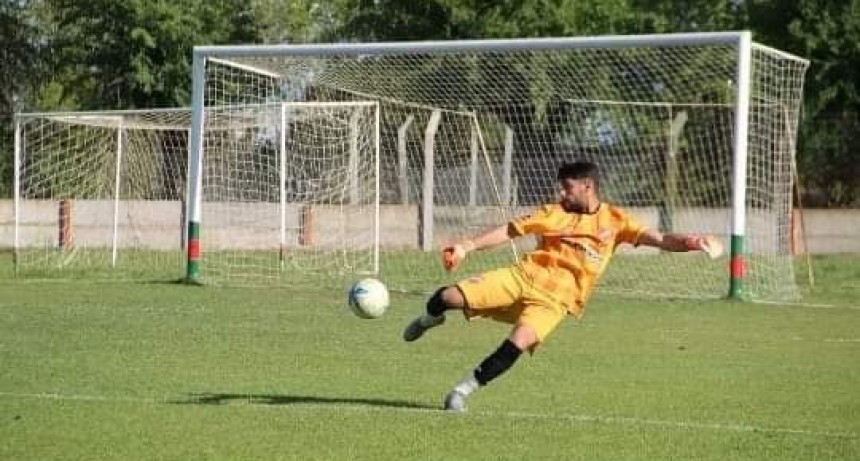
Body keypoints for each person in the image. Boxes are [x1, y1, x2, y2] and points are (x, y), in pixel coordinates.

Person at [402, 161, 723, 412]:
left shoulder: (616, 221)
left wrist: (695, 241)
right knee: (448, 297)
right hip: (523, 278)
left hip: (555, 302)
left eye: (568, 188)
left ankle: (461, 392)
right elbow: (509, 231)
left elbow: (663, 239)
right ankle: (429, 319)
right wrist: (466, 247)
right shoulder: (553, 213)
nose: (562, 194)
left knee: (520, 341)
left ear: (588, 186)